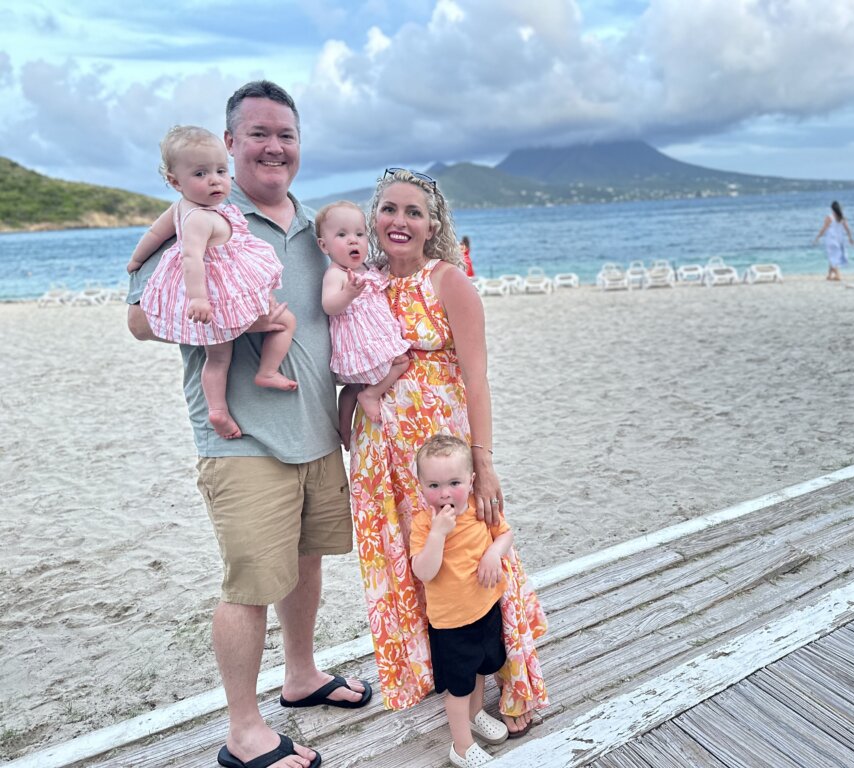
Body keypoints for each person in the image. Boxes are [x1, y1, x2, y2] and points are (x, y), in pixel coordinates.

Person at [126, 81, 370, 768]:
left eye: (285, 134)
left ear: (299, 146)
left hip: (319, 433)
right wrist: (228, 312)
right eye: (257, 133)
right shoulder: (196, 219)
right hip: (242, 442)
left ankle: (302, 676)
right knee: (249, 583)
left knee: (305, 564)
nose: (273, 146)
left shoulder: (322, 229)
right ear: (230, 145)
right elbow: (139, 319)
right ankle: (242, 730)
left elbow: (348, 316)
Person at [347, 168, 548, 736]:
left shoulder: (449, 281)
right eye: (389, 209)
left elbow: (478, 380)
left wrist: (483, 463)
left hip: (445, 455)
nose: (399, 222)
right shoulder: (363, 282)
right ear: (374, 217)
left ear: (432, 225)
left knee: (476, 555)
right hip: (383, 457)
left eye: (413, 212)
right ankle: (446, 682)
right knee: (408, 567)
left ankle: (513, 681)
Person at [126, 125, 298, 440]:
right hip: (215, 300)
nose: (215, 180)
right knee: (283, 321)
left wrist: (137, 260)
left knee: (218, 358)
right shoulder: (197, 218)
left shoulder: (187, 210)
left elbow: (154, 234)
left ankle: (218, 409)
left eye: (221, 170)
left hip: (221, 294)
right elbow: (191, 259)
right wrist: (198, 300)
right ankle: (266, 372)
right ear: (175, 182)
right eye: (201, 174)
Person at [411, 434, 517, 766]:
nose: (444, 493)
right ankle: (461, 745)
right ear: (421, 486)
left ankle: (475, 715)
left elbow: (506, 533)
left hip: (485, 609)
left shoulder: (478, 507)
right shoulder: (425, 523)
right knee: (457, 688)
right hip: (451, 624)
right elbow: (423, 571)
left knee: (482, 667)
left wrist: (492, 554)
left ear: (471, 481)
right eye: (434, 485)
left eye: (454, 482)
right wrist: (438, 534)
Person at [316, 200, 411, 442]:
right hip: (359, 341)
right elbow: (329, 305)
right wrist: (348, 293)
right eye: (342, 234)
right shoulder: (335, 274)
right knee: (400, 362)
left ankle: (344, 433)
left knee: (353, 388)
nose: (353, 240)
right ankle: (370, 398)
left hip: (376, 337)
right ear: (324, 245)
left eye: (360, 234)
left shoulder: (368, 267)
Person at [813, 201, 854, 281]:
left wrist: (817, 237)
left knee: (832, 257)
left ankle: (838, 275)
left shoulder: (829, 217)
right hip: (840, 239)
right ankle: (830, 275)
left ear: (832, 208)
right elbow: (848, 229)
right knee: (833, 257)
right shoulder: (842, 218)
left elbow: (824, 228)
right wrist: (850, 238)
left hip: (831, 239)